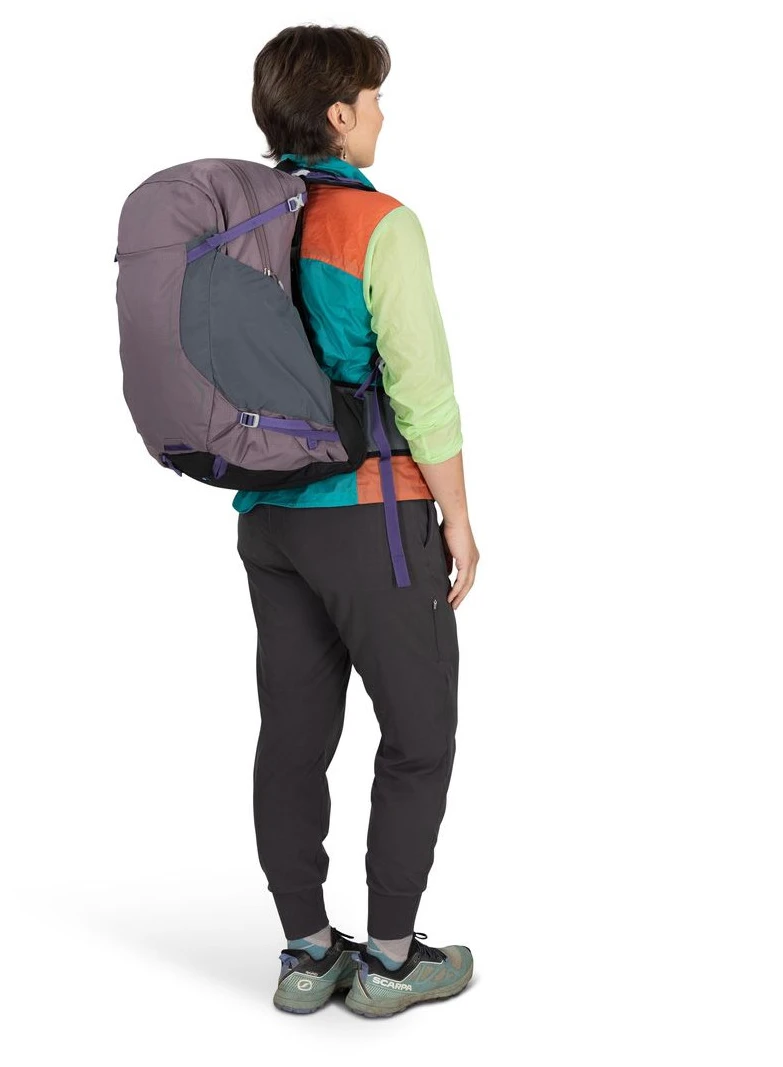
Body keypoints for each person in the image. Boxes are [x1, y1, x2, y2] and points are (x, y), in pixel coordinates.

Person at [236, 24, 481, 1017]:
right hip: (372, 516)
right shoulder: (377, 224)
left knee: (292, 732)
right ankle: (387, 959)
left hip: (269, 518)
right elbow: (421, 390)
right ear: (338, 114)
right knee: (418, 732)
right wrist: (456, 517)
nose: (381, 112)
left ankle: (305, 954)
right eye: (372, 97)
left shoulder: (242, 223)